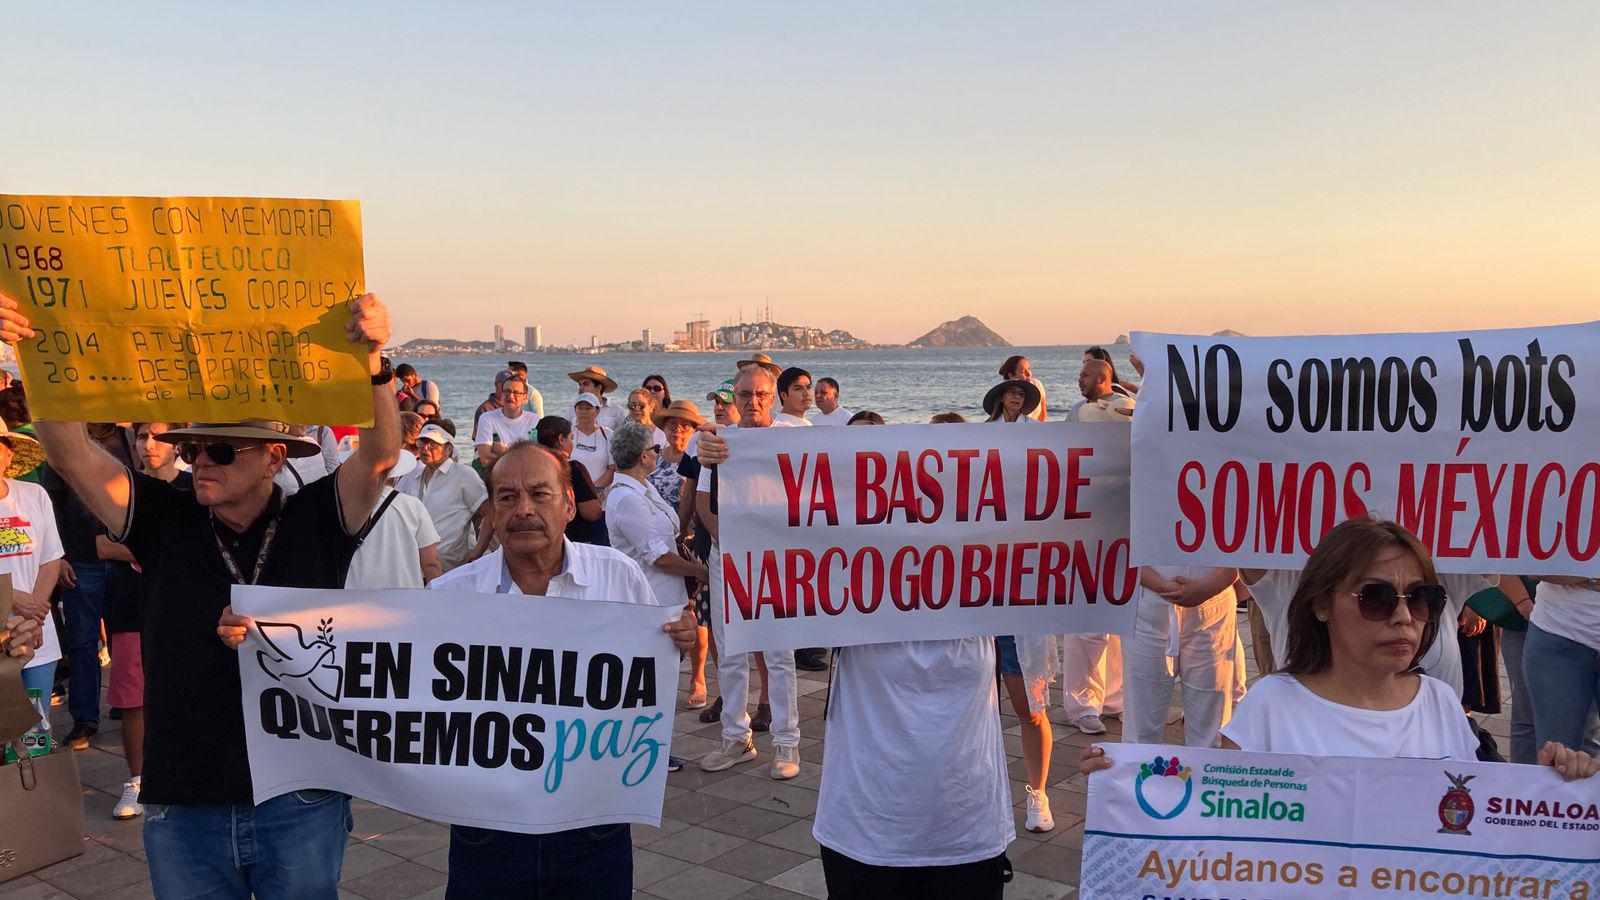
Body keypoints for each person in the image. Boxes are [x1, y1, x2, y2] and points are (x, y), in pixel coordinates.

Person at [1, 290, 399, 899]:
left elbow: (379, 456)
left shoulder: (317, 518)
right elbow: (72, 454)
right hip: (184, 797)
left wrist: (373, 363)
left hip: (300, 794)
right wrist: (35, 354)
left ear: (274, 459)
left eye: (221, 450)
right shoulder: (164, 516)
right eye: (191, 450)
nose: (200, 464)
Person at [700, 405, 1015, 896]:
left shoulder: (992, 583)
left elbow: (1064, 522)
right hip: (865, 826)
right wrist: (729, 460)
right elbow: (768, 532)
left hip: (965, 826)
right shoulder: (842, 580)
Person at [1083, 520, 1598, 781]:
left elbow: (1473, 822)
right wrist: (1130, 778)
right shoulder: (1271, 706)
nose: (1403, 617)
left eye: (1422, 598)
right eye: (1376, 598)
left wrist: (1554, 787)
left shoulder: (1442, 704)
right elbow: (1216, 808)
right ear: (1322, 605)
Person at [417, 441, 697, 898]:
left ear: (569, 505)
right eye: (507, 497)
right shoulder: (450, 597)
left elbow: (649, 669)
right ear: (491, 512)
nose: (523, 509)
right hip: (488, 828)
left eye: (539, 494)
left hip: (593, 824)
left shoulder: (618, 576)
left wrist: (677, 640)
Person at [693, 363, 804, 779]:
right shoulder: (718, 442)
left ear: (773, 397)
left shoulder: (791, 436)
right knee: (730, 651)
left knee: (779, 652)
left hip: (776, 559)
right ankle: (736, 737)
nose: (753, 401)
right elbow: (703, 502)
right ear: (734, 399)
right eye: (744, 395)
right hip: (727, 557)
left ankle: (787, 741)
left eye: (760, 394)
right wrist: (729, 541)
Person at [97, 422, 191, 820]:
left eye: (158, 436)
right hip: (132, 607)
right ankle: (136, 780)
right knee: (133, 699)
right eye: (141, 437)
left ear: (177, 445)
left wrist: (144, 543)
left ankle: (185, 769)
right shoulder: (123, 488)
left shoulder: (193, 487)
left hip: (186, 609)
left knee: (187, 690)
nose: (149, 445)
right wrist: (165, 546)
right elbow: (103, 544)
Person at [41, 421, 134, 749]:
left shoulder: (130, 439)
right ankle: (84, 718)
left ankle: (127, 701)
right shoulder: (68, 443)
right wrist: (60, 556)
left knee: (126, 635)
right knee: (83, 642)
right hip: (80, 559)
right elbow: (50, 507)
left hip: (123, 554)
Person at [1057, 360, 1132, 736]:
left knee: (1119, 615)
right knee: (1085, 616)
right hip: (1086, 517)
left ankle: (1115, 698)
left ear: (1103, 377)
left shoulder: (1130, 408)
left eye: (1085, 375)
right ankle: (1082, 703)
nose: (1079, 380)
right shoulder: (1076, 412)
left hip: (1125, 518)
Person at [1124, 565, 1242, 748]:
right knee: (1141, 725)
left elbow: (1243, 554)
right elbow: (1121, 550)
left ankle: (1207, 768)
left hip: (1213, 609)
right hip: (1146, 607)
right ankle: (1139, 767)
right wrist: (1163, 587)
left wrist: (1210, 587)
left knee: (1211, 727)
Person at [0, 422, 65, 727]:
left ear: (9, 454)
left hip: (37, 637)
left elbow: (51, 558)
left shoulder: (34, 494)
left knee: (37, 728)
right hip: (4, 637)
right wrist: (12, 597)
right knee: (4, 730)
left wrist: (34, 615)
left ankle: (34, 761)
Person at [606, 422, 707, 615]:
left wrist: (692, 565)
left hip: (666, 596)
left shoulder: (643, 486)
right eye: (656, 449)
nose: (658, 454)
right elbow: (659, 557)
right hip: (650, 600)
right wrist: (701, 572)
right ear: (643, 456)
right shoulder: (627, 498)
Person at [1523, 573, 1600, 757]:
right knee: (1558, 758)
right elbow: (1537, 568)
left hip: (1559, 635)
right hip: (1560, 634)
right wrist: (1593, 578)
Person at [398, 424, 489, 573]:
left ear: (448, 449)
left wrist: (478, 551)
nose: (425, 448)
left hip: (450, 565)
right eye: (422, 442)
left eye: (433, 443)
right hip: (413, 563)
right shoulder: (413, 476)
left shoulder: (463, 475)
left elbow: (490, 513)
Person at [344, 449, 441, 589]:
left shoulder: (344, 506)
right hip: (404, 596)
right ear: (396, 477)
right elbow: (431, 562)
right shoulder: (413, 506)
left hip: (354, 595)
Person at [534, 417, 605, 546]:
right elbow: (592, 513)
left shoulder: (530, 468)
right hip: (573, 539)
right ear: (561, 439)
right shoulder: (572, 469)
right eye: (571, 438)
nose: (572, 443)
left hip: (540, 536)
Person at [473, 375, 539, 468]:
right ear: (501, 395)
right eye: (507, 391)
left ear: (525, 398)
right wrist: (521, 456)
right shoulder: (487, 418)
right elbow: (485, 460)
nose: (510, 396)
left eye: (516, 393)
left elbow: (535, 457)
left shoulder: (533, 420)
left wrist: (504, 451)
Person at [569, 394, 615, 496]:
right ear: (575, 410)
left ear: (597, 411)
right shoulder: (567, 433)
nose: (583, 412)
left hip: (599, 493)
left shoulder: (608, 434)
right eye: (580, 408)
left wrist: (594, 491)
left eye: (588, 408)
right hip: (572, 492)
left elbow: (612, 468)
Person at [1066, 359, 1134, 421]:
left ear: (1101, 379)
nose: (1080, 380)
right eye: (1080, 376)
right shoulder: (1075, 410)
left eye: (1085, 375)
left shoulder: (1125, 406)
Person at [566, 366, 625, 431]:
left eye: (586, 384)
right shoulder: (572, 409)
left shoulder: (616, 410)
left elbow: (623, 434)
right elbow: (566, 433)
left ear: (599, 388)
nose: (581, 388)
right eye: (580, 384)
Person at [999, 356, 1047, 421]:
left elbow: (1043, 412)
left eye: (1029, 369)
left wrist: (1041, 426)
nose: (1028, 374)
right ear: (1011, 375)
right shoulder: (1004, 393)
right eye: (1023, 371)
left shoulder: (1037, 384)